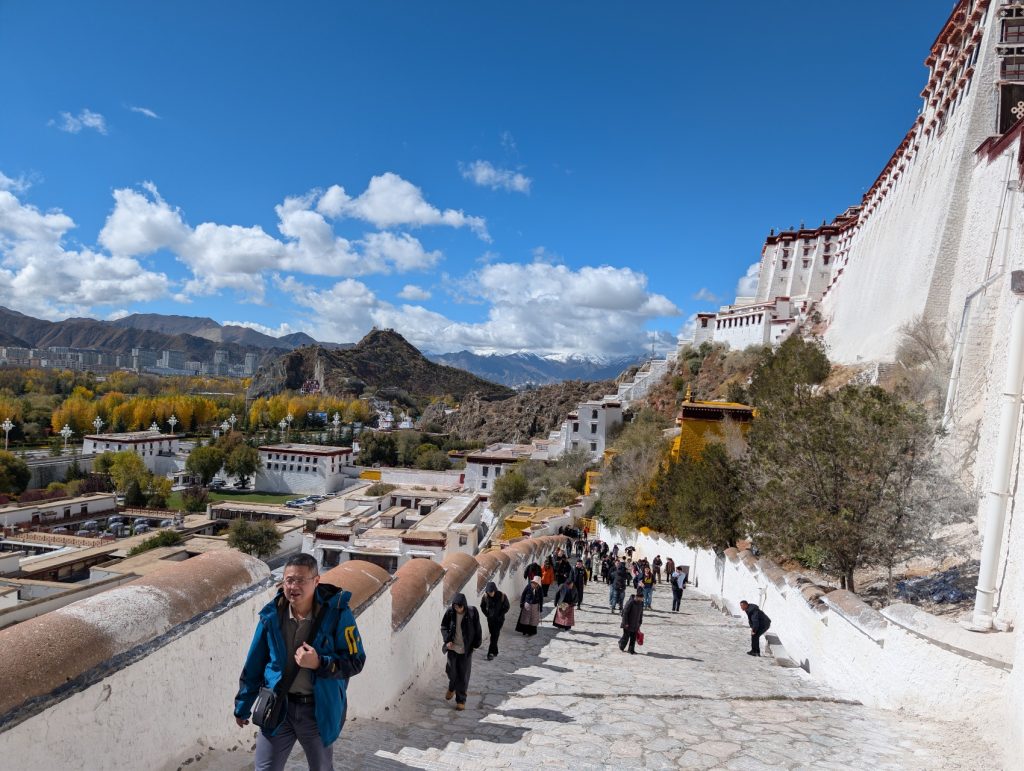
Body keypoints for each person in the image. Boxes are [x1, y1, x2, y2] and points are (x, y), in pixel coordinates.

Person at [233, 553, 366, 771]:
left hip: (317, 711)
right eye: (289, 580)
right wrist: (242, 705)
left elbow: (356, 661)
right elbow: (255, 663)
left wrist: (319, 663)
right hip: (278, 707)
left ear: (316, 581)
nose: (294, 586)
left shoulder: (338, 613)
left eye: (301, 580)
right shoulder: (272, 615)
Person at [480, 581, 510, 660]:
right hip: (490, 620)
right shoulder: (485, 597)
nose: (490, 593)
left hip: (499, 620)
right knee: (493, 635)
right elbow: (482, 606)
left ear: (495, 590)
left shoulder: (502, 596)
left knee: (494, 635)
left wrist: (500, 614)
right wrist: (487, 614)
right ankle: (495, 651)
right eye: (489, 592)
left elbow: (507, 606)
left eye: (492, 592)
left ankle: (490, 653)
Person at [619, 588, 645, 654]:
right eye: (641, 598)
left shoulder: (641, 603)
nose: (642, 600)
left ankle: (631, 650)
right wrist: (625, 623)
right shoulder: (631, 602)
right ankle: (621, 645)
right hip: (628, 623)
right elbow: (625, 613)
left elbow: (641, 613)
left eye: (642, 599)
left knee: (633, 638)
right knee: (626, 637)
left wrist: (640, 622)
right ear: (637, 597)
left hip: (636, 623)